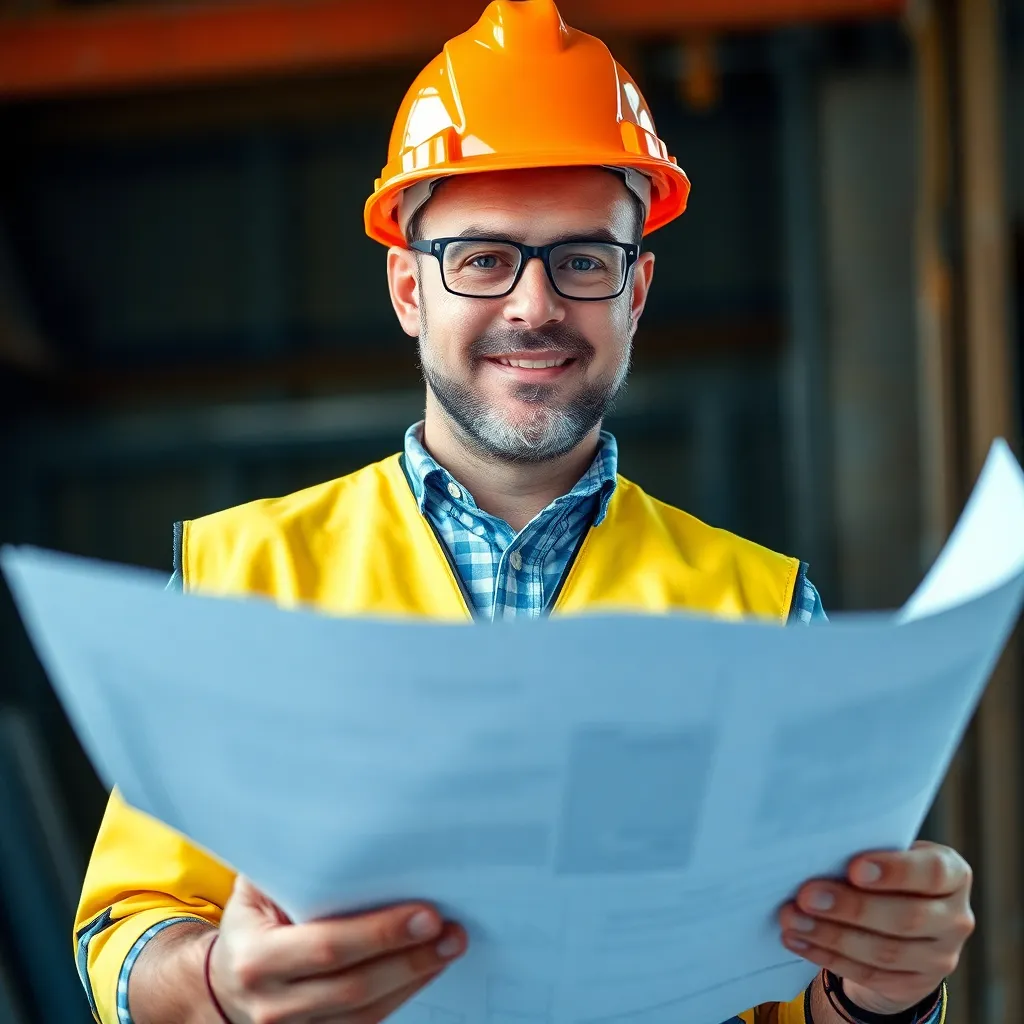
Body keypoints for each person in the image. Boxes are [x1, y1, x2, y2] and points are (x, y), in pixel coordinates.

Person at [73, 2, 974, 1023]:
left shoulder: (762, 607)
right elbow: (122, 933)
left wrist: (882, 991)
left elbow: (803, 1000)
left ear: (635, 290)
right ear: (409, 288)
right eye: (481, 257)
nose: (533, 306)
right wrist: (214, 987)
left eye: (582, 258)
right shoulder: (239, 579)